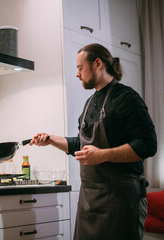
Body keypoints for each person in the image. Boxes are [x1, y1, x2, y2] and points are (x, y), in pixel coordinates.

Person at [30, 43, 157, 240]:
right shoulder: (89, 104)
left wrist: (102, 155)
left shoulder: (127, 98)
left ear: (97, 63)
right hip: (90, 202)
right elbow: (82, 146)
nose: (77, 74)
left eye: (80, 68)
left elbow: (148, 144)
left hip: (122, 201)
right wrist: (51, 140)